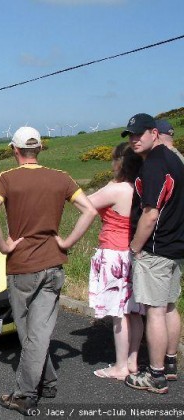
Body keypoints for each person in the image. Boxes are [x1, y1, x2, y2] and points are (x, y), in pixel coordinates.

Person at [0, 126, 97, 416]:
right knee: (40, 330)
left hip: (21, 266)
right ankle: (47, 382)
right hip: (53, 264)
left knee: (30, 333)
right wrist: (67, 241)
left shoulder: (6, 179)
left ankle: (24, 394)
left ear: (15, 150)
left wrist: (4, 246)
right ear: (40, 149)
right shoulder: (62, 178)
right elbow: (90, 211)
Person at [121, 113, 184, 394]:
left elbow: (150, 214)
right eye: (131, 136)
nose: (135, 140)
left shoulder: (154, 166)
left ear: (154, 133)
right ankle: (170, 364)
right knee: (170, 305)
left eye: (139, 134)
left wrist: (135, 248)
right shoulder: (175, 160)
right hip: (176, 245)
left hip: (156, 248)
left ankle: (155, 374)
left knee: (155, 311)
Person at [88, 142, 144, 380]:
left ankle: (120, 366)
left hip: (114, 252)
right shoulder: (142, 186)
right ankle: (133, 359)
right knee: (135, 311)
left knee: (118, 313)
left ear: (119, 163)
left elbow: (84, 202)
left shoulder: (116, 189)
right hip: (135, 252)